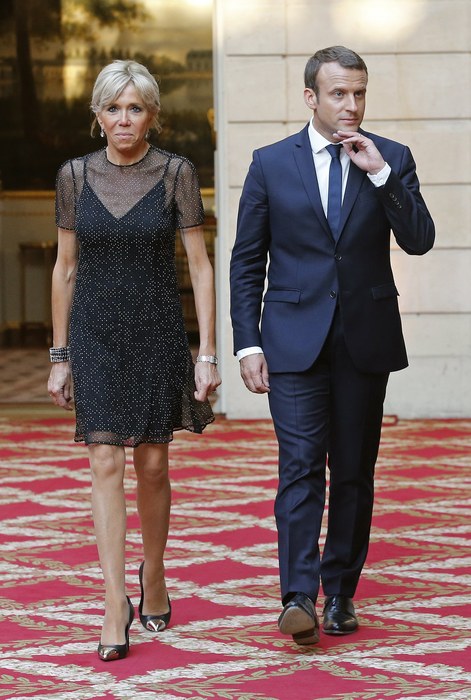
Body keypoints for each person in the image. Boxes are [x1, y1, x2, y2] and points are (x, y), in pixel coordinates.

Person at [230, 46, 434, 645]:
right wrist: (248, 344)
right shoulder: (270, 164)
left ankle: (340, 591)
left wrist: (379, 173)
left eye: (360, 93)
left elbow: (420, 239)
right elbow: (247, 262)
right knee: (298, 468)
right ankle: (297, 596)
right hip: (292, 343)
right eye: (339, 93)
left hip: (364, 342)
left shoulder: (391, 158)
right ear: (310, 97)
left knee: (352, 472)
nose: (351, 105)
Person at [47, 60, 221, 661]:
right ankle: (114, 599)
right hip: (95, 334)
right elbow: (65, 268)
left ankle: (154, 573)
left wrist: (207, 353)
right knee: (103, 462)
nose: (124, 119)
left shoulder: (175, 172)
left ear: (152, 115)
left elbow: (200, 267)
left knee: (150, 467)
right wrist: (60, 354)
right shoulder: (73, 175)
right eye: (113, 108)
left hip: (155, 333)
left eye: (136, 108)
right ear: (97, 116)